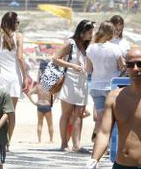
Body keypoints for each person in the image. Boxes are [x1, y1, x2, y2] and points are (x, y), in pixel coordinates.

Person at [54, 19, 93, 151]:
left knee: (79, 114)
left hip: (82, 81)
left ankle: (77, 144)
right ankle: (64, 143)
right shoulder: (71, 43)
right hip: (69, 80)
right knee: (66, 114)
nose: (91, 35)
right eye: (89, 32)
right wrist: (72, 65)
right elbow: (56, 59)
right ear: (82, 32)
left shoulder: (87, 46)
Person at [0, 12, 27, 142]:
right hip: (14, 77)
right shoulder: (18, 37)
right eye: (17, 22)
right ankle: (7, 142)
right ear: (13, 23)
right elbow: (20, 58)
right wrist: (25, 77)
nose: (18, 24)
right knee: (10, 112)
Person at [86, 20, 126, 139]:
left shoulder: (90, 48)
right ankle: (109, 145)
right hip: (110, 87)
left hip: (95, 87)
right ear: (111, 32)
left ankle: (97, 144)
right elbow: (121, 66)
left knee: (100, 118)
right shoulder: (115, 48)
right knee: (112, 118)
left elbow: (88, 69)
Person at [26, 69, 54, 144]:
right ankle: (51, 140)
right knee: (50, 124)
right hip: (47, 106)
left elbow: (28, 93)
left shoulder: (38, 86)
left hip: (40, 106)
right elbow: (54, 95)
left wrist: (33, 102)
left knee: (40, 123)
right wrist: (53, 102)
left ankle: (39, 140)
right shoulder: (49, 86)